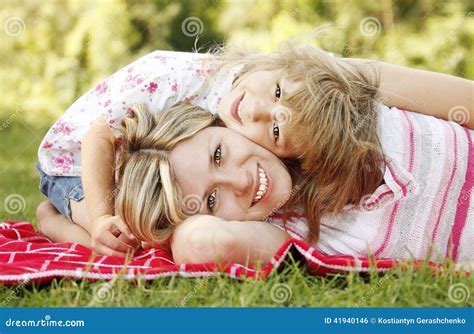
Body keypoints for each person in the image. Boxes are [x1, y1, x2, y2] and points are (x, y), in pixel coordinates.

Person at [35, 44, 473, 257]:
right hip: (68, 161)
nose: (241, 180)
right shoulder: (171, 81)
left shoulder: (306, 93)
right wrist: (102, 215)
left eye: (221, 154)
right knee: (122, 237)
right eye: (211, 200)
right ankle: (57, 223)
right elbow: (99, 136)